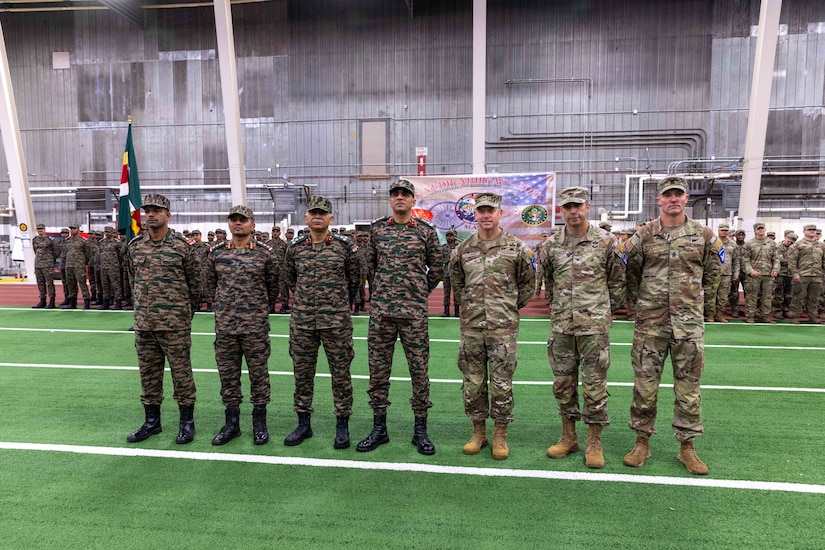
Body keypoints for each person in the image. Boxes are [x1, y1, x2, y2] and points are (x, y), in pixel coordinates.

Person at [622, 176, 722, 475]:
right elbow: (630, 272)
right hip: (651, 325)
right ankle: (642, 442)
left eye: (678, 194)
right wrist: (642, 304)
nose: (673, 199)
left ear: (686, 198)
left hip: (688, 326)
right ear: (659, 200)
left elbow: (714, 273)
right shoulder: (644, 235)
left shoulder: (703, 235)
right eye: (668, 195)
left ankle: (687, 447)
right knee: (644, 386)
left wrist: (694, 303)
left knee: (688, 388)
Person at [357, 179, 443, 455]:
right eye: (395, 194)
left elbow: (438, 267)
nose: (400, 198)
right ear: (390, 200)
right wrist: (383, 290)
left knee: (419, 372)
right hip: (382, 314)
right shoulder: (377, 230)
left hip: (413, 314)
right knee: (378, 372)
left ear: (413, 200)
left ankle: (420, 430)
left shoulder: (425, 231)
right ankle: (379, 428)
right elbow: (368, 267)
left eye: (405, 194)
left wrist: (418, 290)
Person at [542, 187, 626, 468]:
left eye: (577, 205)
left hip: (594, 328)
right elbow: (550, 284)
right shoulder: (552, 244)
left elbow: (617, 283)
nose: (573, 211)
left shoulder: (606, 241)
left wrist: (603, 313)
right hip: (562, 328)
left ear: (588, 206)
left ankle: (594, 440)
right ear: (561, 211)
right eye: (567, 207)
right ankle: (569, 437)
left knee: (594, 386)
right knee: (563, 385)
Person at [449, 193, 534, 460]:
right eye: (481, 210)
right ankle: (478, 433)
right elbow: (458, 285)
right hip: (472, 327)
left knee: (501, 384)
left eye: (491, 210)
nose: (486, 215)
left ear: (500, 213)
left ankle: (500, 435)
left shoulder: (516, 247)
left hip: (503, 329)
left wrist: (505, 307)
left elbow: (528, 285)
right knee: (473, 382)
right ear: (474, 214)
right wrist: (474, 308)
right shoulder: (463, 250)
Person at [282, 196, 360, 449]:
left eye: (322, 213)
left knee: (340, 375)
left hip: (336, 322)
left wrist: (336, 304)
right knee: (302, 374)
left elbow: (354, 280)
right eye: (313, 212)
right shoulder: (295, 247)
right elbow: (290, 279)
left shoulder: (344, 246)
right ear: (306, 217)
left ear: (330, 219)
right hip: (303, 322)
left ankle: (342, 425)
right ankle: (303, 424)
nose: (317, 216)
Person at [126, 194, 201, 445]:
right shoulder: (135, 246)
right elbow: (132, 280)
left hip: (174, 324)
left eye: (157, 210)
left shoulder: (181, 246)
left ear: (168, 215)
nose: (151, 214)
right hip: (145, 324)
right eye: (147, 210)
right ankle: (152, 422)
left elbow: (194, 286)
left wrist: (182, 315)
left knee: (182, 375)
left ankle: (186, 422)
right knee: (148, 375)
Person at [204, 205, 279, 446]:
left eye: (243, 220)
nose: (238, 223)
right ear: (228, 224)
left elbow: (273, 286)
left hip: (254, 327)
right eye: (234, 220)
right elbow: (208, 286)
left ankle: (259, 423)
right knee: (228, 376)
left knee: (259, 376)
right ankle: (232, 423)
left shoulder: (265, 253)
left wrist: (255, 309)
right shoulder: (216, 253)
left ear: (252, 225)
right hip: (225, 327)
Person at [742, 222, 779, 323]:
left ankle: (765, 316)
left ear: (765, 229)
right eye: (758, 229)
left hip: (768, 274)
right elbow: (745, 260)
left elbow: (776, 258)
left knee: (767, 297)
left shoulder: (772, 244)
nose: (761, 230)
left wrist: (775, 269)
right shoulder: (749, 244)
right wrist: (750, 271)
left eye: (762, 228)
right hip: (754, 275)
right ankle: (750, 316)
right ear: (755, 231)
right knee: (752, 296)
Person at [787, 224, 824, 324]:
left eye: (813, 230)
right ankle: (795, 317)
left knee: (814, 298)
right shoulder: (798, 245)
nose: (812, 231)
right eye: (809, 230)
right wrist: (795, 274)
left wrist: (822, 274)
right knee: (798, 297)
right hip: (802, 275)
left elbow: (823, 261)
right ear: (804, 231)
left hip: (817, 275)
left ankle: (813, 317)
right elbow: (792, 261)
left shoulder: (821, 245)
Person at [707, 224, 738, 323]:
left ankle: (719, 315)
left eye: (726, 230)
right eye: (722, 230)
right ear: (718, 230)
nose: (724, 232)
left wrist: (736, 272)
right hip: (713, 272)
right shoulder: (712, 242)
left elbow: (736, 260)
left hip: (726, 273)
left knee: (723, 296)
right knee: (711, 295)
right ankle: (710, 315)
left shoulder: (733, 244)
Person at [61, 223, 92, 310]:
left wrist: (83, 262)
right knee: (71, 284)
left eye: (74, 228)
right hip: (69, 265)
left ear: (78, 229)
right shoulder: (67, 241)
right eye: (71, 228)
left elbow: (88, 254)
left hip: (79, 265)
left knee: (82, 283)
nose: (72, 230)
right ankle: (72, 302)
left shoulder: (83, 241)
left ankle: (86, 302)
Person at [32, 223, 60, 309]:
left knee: (49, 283)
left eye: (41, 229)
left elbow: (56, 252)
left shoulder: (50, 240)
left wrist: (51, 261)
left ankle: (52, 301)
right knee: (40, 283)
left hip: (47, 264)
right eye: (38, 229)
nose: (40, 230)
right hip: (38, 264)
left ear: (44, 230)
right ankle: (42, 300)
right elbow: (35, 250)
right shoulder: (35, 239)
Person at [441, 229, 459, 317]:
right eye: (447, 236)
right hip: (446, 274)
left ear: (455, 236)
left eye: (451, 236)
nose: (449, 237)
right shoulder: (443, 248)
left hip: (456, 274)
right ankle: (446, 311)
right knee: (446, 293)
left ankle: (457, 311)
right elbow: (439, 260)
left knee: (457, 292)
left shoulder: (459, 247)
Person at [279, 228, 295, 313]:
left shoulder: (295, 244)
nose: (290, 235)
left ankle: (294, 303)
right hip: (280, 268)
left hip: (291, 268)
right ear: (285, 234)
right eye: (288, 233)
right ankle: (284, 304)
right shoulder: (284, 244)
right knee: (283, 287)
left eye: (291, 233)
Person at [533, 231, 550, 296]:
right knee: (539, 277)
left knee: (548, 279)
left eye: (546, 236)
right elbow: (533, 251)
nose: (545, 238)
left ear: (548, 236)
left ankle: (548, 294)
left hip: (548, 263)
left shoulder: (550, 244)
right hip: (540, 263)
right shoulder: (539, 244)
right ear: (541, 237)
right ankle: (537, 292)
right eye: (543, 236)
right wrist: (535, 258)